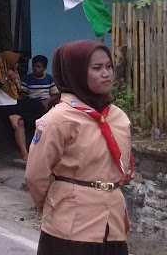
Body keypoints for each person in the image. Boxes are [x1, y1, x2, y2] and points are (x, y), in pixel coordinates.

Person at [24, 40, 132, 255]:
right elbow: (36, 175)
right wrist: (58, 205)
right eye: (96, 68)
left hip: (113, 225)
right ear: (75, 73)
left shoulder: (118, 117)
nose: (106, 73)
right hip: (70, 228)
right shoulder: (58, 119)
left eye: (108, 66)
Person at [0, 51, 46, 161]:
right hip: (0, 105)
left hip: (14, 102)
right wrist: (5, 77)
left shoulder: (14, 72)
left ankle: (17, 116)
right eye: (15, 62)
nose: (17, 65)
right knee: (20, 123)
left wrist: (14, 79)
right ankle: (25, 154)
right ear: (7, 62)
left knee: (38, 105)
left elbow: (18, 89)